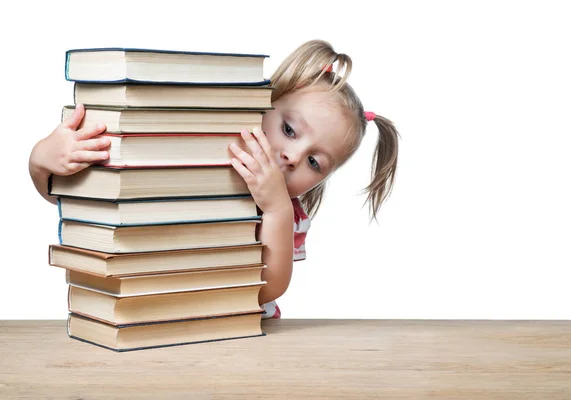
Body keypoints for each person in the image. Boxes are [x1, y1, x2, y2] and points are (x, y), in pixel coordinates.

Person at [28, 39, 400, 319]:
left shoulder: (288, 213)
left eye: (315, 163)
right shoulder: (194, 158)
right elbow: (85, 205)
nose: (292, 156)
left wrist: (274, 210)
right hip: (151, 319)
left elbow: (266, 290)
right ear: (263, 103)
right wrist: (42, 159)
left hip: (239, 337)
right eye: (289, 129)